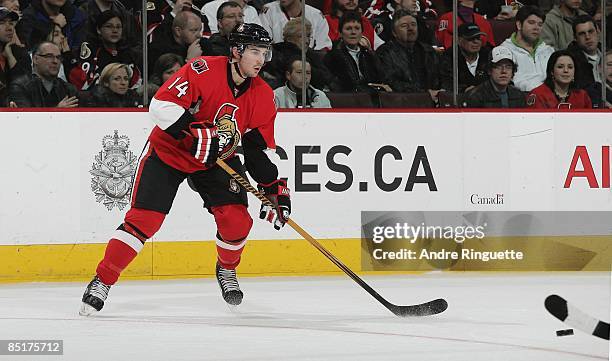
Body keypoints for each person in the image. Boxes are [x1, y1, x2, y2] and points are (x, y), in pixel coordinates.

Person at [79, 23, 291, 315]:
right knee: (144, 221)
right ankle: (102, 280)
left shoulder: (264, 95)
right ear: (236, 51)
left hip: (217, 158)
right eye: (254, 51)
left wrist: (272, 188)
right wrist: (192, 134)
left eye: (264, 53)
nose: (260, 59)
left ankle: (226, 269)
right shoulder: (202, 70)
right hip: (170, 151)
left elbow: (255, 150)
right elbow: (161, 106)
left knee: (238, 222)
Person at [66, 10, 142, 90]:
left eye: (118, 27)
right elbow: (84, 82)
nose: (115, 31)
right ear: (99, 30)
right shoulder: (91, 51)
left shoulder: (127, 54)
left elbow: (136, 83)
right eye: (109, 26)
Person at [375, 10, 438, 95]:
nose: (410, 28)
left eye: (413, 25)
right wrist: (424, 94)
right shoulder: (384, 52)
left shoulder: (428, 51)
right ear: (394, 33)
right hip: (401, 102)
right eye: (404, 26)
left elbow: (439, 78)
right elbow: (391, 82)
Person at [324, 10, 389, 92]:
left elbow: (381, 78)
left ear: (362, 33)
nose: (353, 32)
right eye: (348, 29)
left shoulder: (368, 55)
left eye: (357, 28)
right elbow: (339, 85)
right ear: (340, 33)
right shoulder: (332, 57)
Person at [262, 17, 333, 90]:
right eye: (301, 36)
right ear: (289, 39)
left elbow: (326, 78)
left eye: (308, 36)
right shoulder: (276, 53)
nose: (307, 41)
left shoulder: (313, 55)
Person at [500, 5, 554, 92]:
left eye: (540, 24)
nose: (536, 28)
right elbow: (511, 83)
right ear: (519, 25)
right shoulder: (504, 51)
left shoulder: (548, 51)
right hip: (522, 98)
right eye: (531, 23)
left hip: (549, 97)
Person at [8, 41, 79, 107]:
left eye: (58, 57)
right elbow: (24, 118)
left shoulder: (68, 89)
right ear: (35, 59)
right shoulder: (20, 86)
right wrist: (57, 111)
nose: (55, 61)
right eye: (49, 56)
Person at [527, 50, 591, 108]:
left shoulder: (582, 96)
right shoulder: (538, 94)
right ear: (552, 71)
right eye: (560, 67)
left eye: (570, 67)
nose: (566, 70)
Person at [259, 0, 332, 51]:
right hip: (279, 64)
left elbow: (324, 48)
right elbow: (263, 45)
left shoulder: (316, 15)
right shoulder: (268, 11)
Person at [440, 22, 490, 93]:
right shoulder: (449, 57)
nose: (476, 41)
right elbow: (446, 83)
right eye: (470, 38)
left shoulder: (488, 55)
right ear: (459, 40)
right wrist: (465, 90)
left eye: (478, 38)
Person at [18, 0, 87, 50]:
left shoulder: (77, 17)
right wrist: (53, 27)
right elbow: (28, 50)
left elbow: (81, 51)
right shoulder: (28, 18)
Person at [566, 14, 601, 103]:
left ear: (598, 31)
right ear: (575, 38)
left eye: (591, 31)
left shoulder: (608, 55)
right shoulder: (570, 61)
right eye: (582, 34)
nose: (588, 37)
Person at [0, 7, 30, 106]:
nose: (9, 28)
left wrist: (10, 57)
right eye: (2, 23)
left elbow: (26, 87)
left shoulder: (20, 54)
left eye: (11, 23)